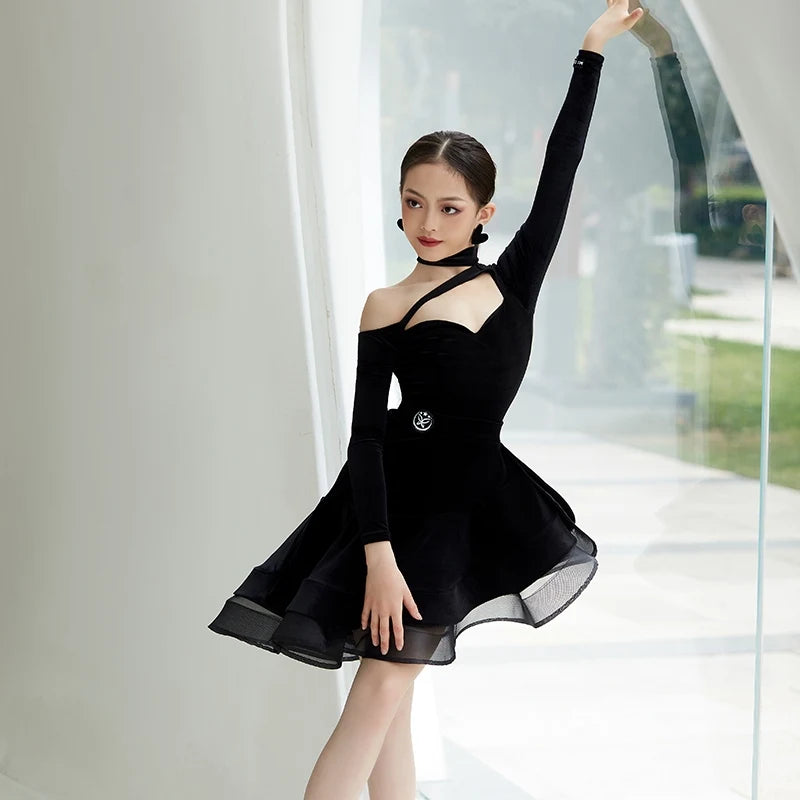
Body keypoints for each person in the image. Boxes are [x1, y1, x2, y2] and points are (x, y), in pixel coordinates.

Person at [208, 3, 644, 798]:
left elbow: (562, 163)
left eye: (449, 207)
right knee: (381, 693)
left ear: (483, 214)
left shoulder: (512, 281)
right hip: (395, 515)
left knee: (393, 696)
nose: (428, 222)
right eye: (414, 202)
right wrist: (377, 557)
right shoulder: (385, 303)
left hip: (469, 504)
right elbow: (368, 439)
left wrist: (593, 49)